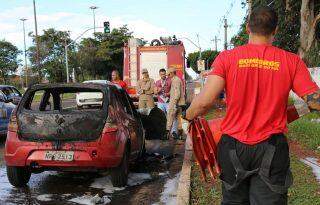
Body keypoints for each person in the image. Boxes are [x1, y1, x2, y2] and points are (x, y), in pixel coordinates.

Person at [183, 6, 319, 205]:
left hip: (233, 147)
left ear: (248, 28)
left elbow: (203, 103)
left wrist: (186, 115)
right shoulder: (291, 61)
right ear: (275, 30)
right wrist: (300, 109)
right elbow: (314, 101)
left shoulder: (227, 58)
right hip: (272, 148)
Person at [166, 67, 185, 140]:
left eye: (168, 74)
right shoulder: (177, 80)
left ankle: (167, 135)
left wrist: (174, 103)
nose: (168, 76)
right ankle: (180, 136)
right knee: (179, 119)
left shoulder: (175, 80)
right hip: (179, 103)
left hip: (175, 103)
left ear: (172, 73)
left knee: (170, 117)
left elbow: (177, 93)